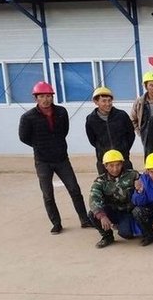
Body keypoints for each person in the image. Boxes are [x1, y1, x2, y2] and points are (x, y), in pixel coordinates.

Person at [18, 81, 91, 234]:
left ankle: (84, 219)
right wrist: (40, 145)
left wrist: (55, 144)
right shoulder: (28, 117)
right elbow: (24, 137)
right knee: (48, 194)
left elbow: (64, 131)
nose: (46, 99)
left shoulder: (61, 112)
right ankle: (56, 223)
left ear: (52, 97)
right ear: (36, 98)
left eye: (48, 96)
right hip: (42, 161)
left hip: (61, 158)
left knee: (74, 189)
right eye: (42, 96)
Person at [88, 150, 140, 248]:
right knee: (93, 214)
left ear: (122, 164)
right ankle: (107, 236)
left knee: (127, 234)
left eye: (118, 165)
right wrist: (102, 216)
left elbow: (146, 184)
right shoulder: (100, 181)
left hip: (127, 212)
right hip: (111, 211)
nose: (115, 169)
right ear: (105, 166)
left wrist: (140, 187)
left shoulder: (133, 175)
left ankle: (122, 226)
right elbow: (94, 198)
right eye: (111, 166)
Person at [85, 86, 135, 174]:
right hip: (104, 161)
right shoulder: (91, 119)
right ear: (96, 102)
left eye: (109, 101)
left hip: (123, 159)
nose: (108, 104)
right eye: (104, 101)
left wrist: (124, 148)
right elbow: (92, 140)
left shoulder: (122, 115)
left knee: (128, 181)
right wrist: (102, 149)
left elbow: (131, 134)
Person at [130, 71, 153, 147]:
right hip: (147, 138)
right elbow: (133, 119)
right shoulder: (140, 102)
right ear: (145, 86)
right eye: (151, 85)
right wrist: (140, 132)